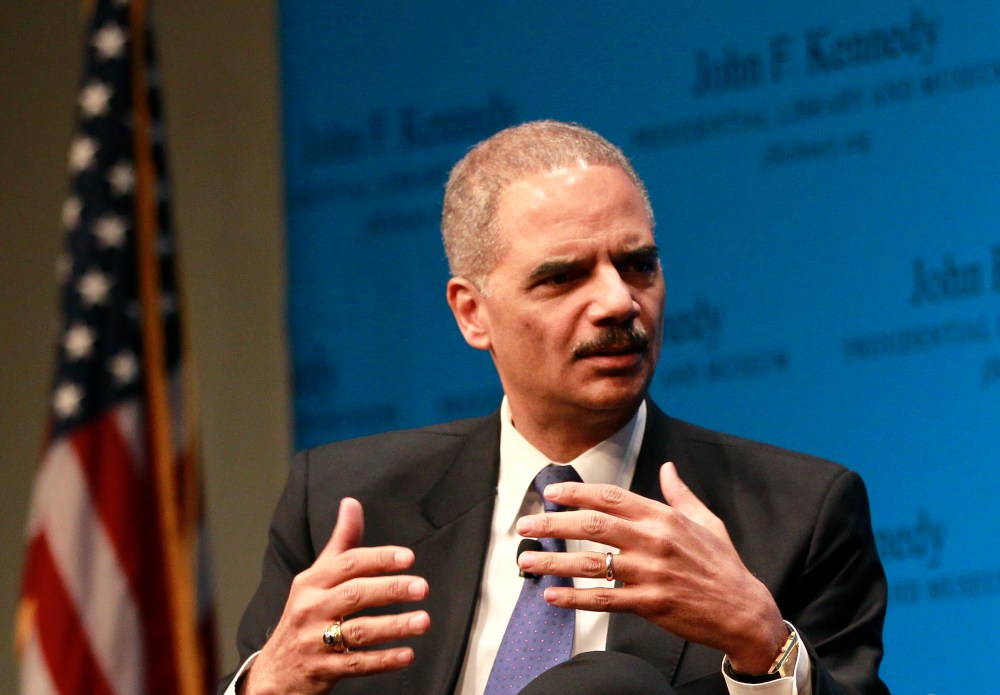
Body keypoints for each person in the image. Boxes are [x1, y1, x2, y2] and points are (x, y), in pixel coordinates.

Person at [220, 121, 889, 694]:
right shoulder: (346, 506)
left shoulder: (798, 516)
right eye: (564, 276)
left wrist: (763, 644)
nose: (619, 302)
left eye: (638, 265)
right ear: (472, 312)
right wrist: (267, 682)